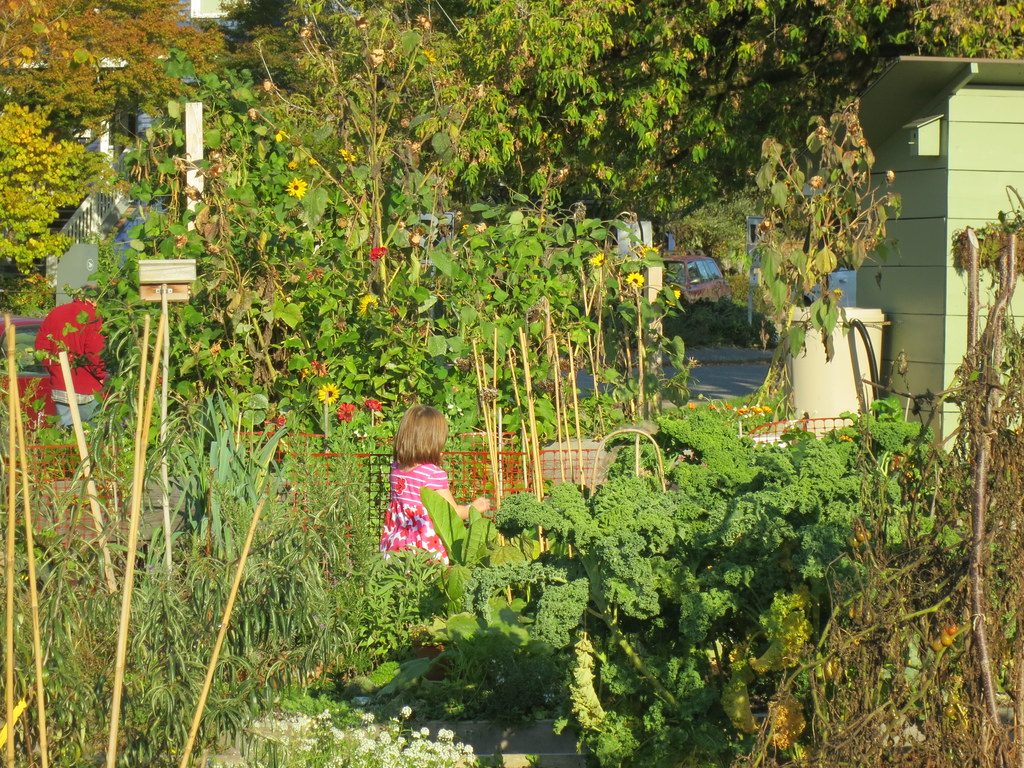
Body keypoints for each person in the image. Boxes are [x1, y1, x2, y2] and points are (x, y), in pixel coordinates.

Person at [380, 405, 490, 562]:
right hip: (423, 550)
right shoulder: (432, 474)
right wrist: (475, 508)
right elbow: (452, 514)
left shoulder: (396, 468)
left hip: (396, 545)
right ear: (433, 441)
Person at [35, 294, 107, 427]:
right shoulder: (93, 316)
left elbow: (41, 348)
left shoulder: (56, 312)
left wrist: (54, 369)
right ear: (94, 300)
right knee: (92, 437)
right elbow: (95, 352)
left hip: (61, 387)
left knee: (65, 438)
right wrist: (100, 375)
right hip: (88, 388)